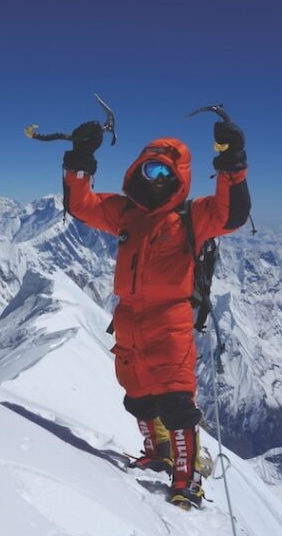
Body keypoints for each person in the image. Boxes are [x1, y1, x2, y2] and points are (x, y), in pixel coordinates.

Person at [60, 117, 251, 508]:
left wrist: (231, 161)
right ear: (138, 170)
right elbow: (80, 206)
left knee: (177, 403)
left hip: (170, 320)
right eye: (150, 169)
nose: (157, 178)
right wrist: (80, 160)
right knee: (138, 396)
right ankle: (159, 451)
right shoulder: (127, 213)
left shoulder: (192, 216)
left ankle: (187, 477)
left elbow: (231, 215)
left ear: (179, 175)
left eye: (166, 170)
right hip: (129, 318)